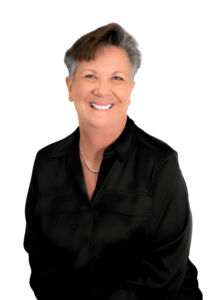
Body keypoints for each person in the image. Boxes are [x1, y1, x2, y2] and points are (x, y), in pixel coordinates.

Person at [23, 22, 203, 300]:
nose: (102, 90)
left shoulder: (160, 163)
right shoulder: (46, 163)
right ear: (70, 87)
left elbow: (163, 274)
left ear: (131, 90)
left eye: (117, 78)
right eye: (90, 76)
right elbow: (41, 259)